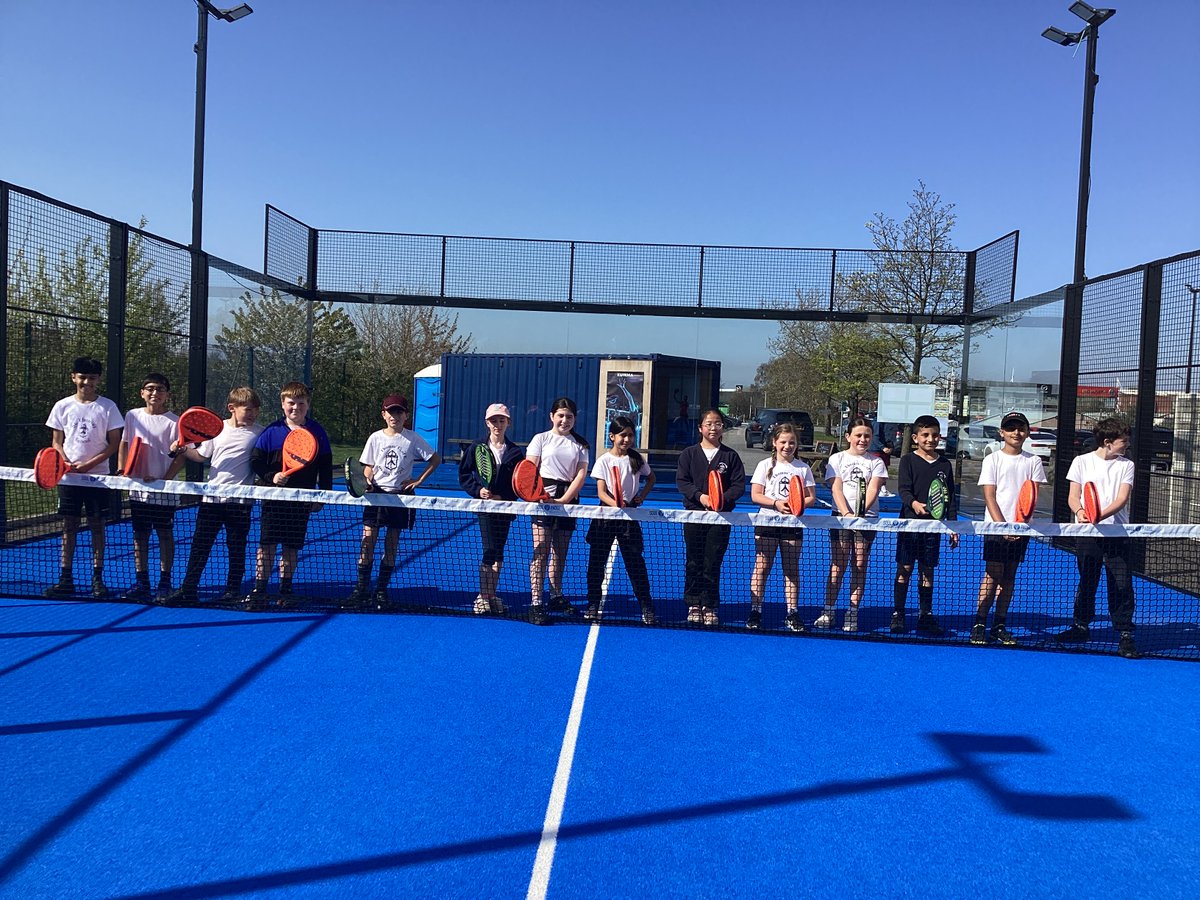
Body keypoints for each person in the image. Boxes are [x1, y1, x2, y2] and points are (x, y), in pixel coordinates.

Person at [163, 387, 263, 605]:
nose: (253, 414)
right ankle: (188, 589)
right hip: (211, 500)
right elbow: (200, 456)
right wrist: (181, 450)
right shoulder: (217, 431)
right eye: (248, 409)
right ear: (232, 408)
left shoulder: (259, 433)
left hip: (240, 502)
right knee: (200, 545)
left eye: (256, 410)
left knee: (237, 548)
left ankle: (233, 591)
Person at [347, 394, 442, 609]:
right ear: (383, 414)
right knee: (367, 541)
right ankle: (361, 590)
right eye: (391, 412)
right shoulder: (375, 438)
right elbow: (368, 466)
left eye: (399, 412)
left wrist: (418, 480)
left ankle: (380, 590)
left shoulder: (413, 438)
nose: (395, 416)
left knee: (391, 544)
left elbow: (435, 459)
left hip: (400, 498)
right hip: (376, 496)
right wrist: (368, 480)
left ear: (406, 415)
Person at [1056, 418, 1140, 659]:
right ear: (1107, 442)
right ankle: (1081, 626)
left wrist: (1097, 515)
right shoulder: (1081, 462)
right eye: (1124, 441)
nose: (1127, 445)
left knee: (1121, 584)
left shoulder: (1127, 465)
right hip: (1087, 534)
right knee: (1087, 581)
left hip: (1116, 534)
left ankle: (1125, 634)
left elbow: (1121, 499)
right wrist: (1081, 512)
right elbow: (1074, 496)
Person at [246, 382, 334, 608]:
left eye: (301, 403)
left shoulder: (318, 431)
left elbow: (325, 466)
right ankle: (260, 589)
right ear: (283, 404)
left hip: (301, 500)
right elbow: (256, 461)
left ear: (308, 405)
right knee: (266, 546)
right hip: (274, 500)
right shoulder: (271, 432)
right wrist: (271, 476)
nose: (296, 408)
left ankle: (286, 589)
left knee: (291, 547)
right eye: (291, 403)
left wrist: (322, 496)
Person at [43, 357, 123, 599]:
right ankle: (65, 579)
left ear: (98, 379)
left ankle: (97, 579)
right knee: (69, 527)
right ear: (73, 377)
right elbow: (56, 442)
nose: (87, 382)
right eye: (82, 376)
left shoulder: (108, 406)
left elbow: (114, 443)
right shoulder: (62, 406)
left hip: (98, 478)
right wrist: (65, 463)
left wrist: (88, 464)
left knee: (97, 526)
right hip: (69, 479)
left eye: (92, 377)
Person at [971, 411, 1047, 646]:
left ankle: (999, 626)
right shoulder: (992, 459)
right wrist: (1003, 526)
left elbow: (1032, 497)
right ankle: (979, 624)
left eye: (1021, 428)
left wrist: (1019, 526)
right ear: (1002, 432)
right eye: (1011, 428)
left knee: (1009, 576)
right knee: (993, 574)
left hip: (1020, 530)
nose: (1016, 432)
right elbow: (990, 496)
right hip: (995, 528)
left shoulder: (1033, 461)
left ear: (1027, 432)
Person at [118, 373, 186, 602]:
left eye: (159, 389)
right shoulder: (132, 416)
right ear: (142, 393)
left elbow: (180, 457)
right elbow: (125, 443)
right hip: (138, 489)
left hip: (164, 491)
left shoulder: (175, 422)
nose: (154, 393)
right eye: (150, 388)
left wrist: (163, 481)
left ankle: (165, 582)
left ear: (167, 395)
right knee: (140, 536)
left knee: (165, 535)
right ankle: (142, 581)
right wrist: (123, 470)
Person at [816, 416, 888, 632]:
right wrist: (847, 513)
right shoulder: (836, 459)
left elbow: (874, 489)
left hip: (867, 522)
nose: (862, 439)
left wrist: (860, 514)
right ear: (848, 437)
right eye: (858, 435)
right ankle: (828, 611)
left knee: (859, 565)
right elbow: (836, 488)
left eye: (867, 435)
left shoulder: (876, 462)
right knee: (838, 565)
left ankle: (852, 612)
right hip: (841, 519)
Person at [675, 408, 746, 626]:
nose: (713, 428)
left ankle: (710, 605)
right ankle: (693, 603)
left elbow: (738, 486)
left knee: (713, 561)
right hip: (695, 515)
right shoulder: (689, 454)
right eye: (708, 424)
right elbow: (683, 482)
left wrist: (720, 500)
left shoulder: (730, 456)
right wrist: (701, 497)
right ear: (700, 428)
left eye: (717, 424)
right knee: (694, 560)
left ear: (723, 428)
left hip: (721, 519)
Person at [586, 416, 657, 624]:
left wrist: (640, 497)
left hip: (629, 517)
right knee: (596, 563)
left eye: (630, 435)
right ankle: (593, 604)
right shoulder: (603, 460)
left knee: (635, 563)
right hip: (605, 517)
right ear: (612, 436)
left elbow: (651, 478)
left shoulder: (636, 459)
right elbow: (600, 492)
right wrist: (614, 503)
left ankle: (646, 605)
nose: (626, 439)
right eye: (622, 435)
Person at [525, 397, 590, 625]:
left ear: (575, 419)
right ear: (552, 416)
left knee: (560, 552)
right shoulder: (540, 439)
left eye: (569, 416)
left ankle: (555, 595)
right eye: (560, 415)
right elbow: (529, 470)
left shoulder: (580, 445)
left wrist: (564, 499)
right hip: (542, 500)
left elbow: (581, 475)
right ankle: (535, 602)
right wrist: (543, 496)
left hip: (568, 502)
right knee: (540, 552)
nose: (564, 420)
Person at [892, 414, 957, 636]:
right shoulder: (908, 460)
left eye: (934, 435)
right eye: (925, 435)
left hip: (933, 528)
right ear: (916, 437)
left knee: (927, 570)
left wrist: (953, 527)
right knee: (905, 568)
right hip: (910, 525)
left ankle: (925, 615)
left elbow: (950, 498)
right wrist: (914, 504)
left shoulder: (945, 464)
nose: (930, 439)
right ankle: (898, 614)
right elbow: (903, 490)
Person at [459, 403, 525, 615]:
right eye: (494, 421)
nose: (498, 424)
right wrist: (478, 491)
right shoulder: (477, 447)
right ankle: (483, 597)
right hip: (485, 508)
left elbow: (520, 482)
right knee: (489, 550)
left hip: (505, 508)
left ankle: (490, 595)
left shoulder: (515, 452)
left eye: (501, 420)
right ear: (487, 423)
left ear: (508, 423)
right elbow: (465, 475)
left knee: (499, 552)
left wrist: (504, 496)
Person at [749, 423, 815, 632]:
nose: (788, 446)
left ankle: (792, 612)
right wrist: (776, 504)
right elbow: (755, 495)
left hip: (792, 525)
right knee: (762, 567)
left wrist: (798, 504)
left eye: (792, 442)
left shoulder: (803, 468)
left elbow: (811, 497)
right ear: (774, 443)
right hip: (767, 522)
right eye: (783, 442)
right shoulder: (764, 465)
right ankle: (756, 610)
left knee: (791, 569)